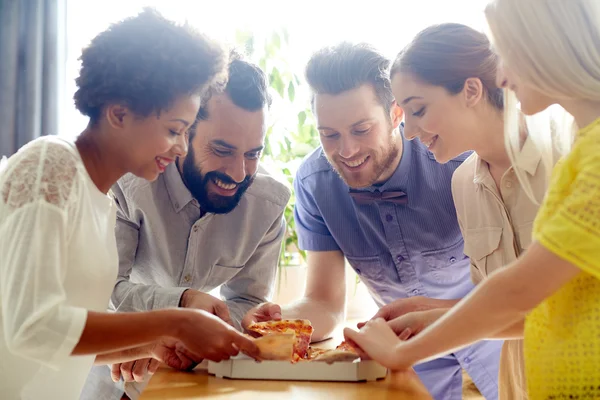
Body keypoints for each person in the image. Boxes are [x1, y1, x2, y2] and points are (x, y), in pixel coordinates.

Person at [345, 1, 600, 399]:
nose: (500, 73)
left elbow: (520, 292)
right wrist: (430, 316)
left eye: (418, 109)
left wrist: (402, 352)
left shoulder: (576, 155)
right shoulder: (464, 182)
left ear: (471, 91)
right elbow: (524, 310)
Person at [0, 9, 258, 400]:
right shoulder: (49, 165)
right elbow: (29, 327)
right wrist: (175, 321)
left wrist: (149, 344)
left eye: (187, 132)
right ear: (119, 113)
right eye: (174, 130)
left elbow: (58, 342)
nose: (182, 147)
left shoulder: (99, 201)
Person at [282, 42, 502, 399]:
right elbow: (323, 302)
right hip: (408, 357)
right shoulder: (314, 184)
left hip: (495, 336)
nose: (347, 151)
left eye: (361, 129)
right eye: (330, 135)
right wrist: (282, 321)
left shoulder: (459, 160)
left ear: (396, 114)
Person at [82, 51, 289, 399]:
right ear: (183, 133)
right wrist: (183, 306)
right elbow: (100, 294)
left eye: (253, 153)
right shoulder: (126, 180)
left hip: (192, 381)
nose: (239, 173)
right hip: (102, 372)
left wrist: (194, 332)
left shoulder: (267, 204)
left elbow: (246, 302)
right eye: (222, 150)